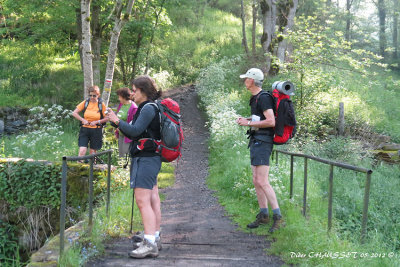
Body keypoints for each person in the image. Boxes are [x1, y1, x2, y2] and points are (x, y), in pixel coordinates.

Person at [107, 75, 162, 258]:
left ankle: (149, 244)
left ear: (143, 90)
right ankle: (154, 237)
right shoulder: (148, 107)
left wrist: (116, 120)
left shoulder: (147, 108)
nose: (131, 93)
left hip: (146, 159)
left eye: (134, 90)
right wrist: (120, 125)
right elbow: (135, 130)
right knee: (153, 197)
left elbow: (135, 131)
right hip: (150, 157)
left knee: (142, 200)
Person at [236, 68, 284, 233]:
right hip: (257, 141)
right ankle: (264, 215)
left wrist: (248, 124)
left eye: (246, 78)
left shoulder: (263, 98)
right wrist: (247, 120)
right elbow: (261, 118)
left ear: (251, 80)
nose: (244, 81)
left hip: (264, 142)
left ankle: (278, 217)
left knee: (263, 181)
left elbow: (271, 121)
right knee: (256, 180)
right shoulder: (255, 98)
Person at [72, 85, 107, 158]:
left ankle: (93, 168)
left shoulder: (101, 105)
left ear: (98, 95)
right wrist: (83, 120)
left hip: (96, 130)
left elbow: (107, 118)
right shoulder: (85, 102)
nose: (92, 97)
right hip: (85, 129)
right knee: (82, 150)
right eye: (90, 95)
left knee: (92, 153)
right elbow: (74, 113)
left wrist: (97, 121)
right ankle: (79, 166)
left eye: (94, 96)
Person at [114, 87, 137, 158]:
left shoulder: (133, 108)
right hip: (120, 134)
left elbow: (133, 123)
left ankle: (127, 169)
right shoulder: (121, 105)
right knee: (121, 156)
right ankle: (121, 169)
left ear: (123, 97)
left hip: (128, 136)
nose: (118, 99)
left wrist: (122, 128)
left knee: (126, 155)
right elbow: (118, 119)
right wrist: (116, 132)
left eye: (119, 97)